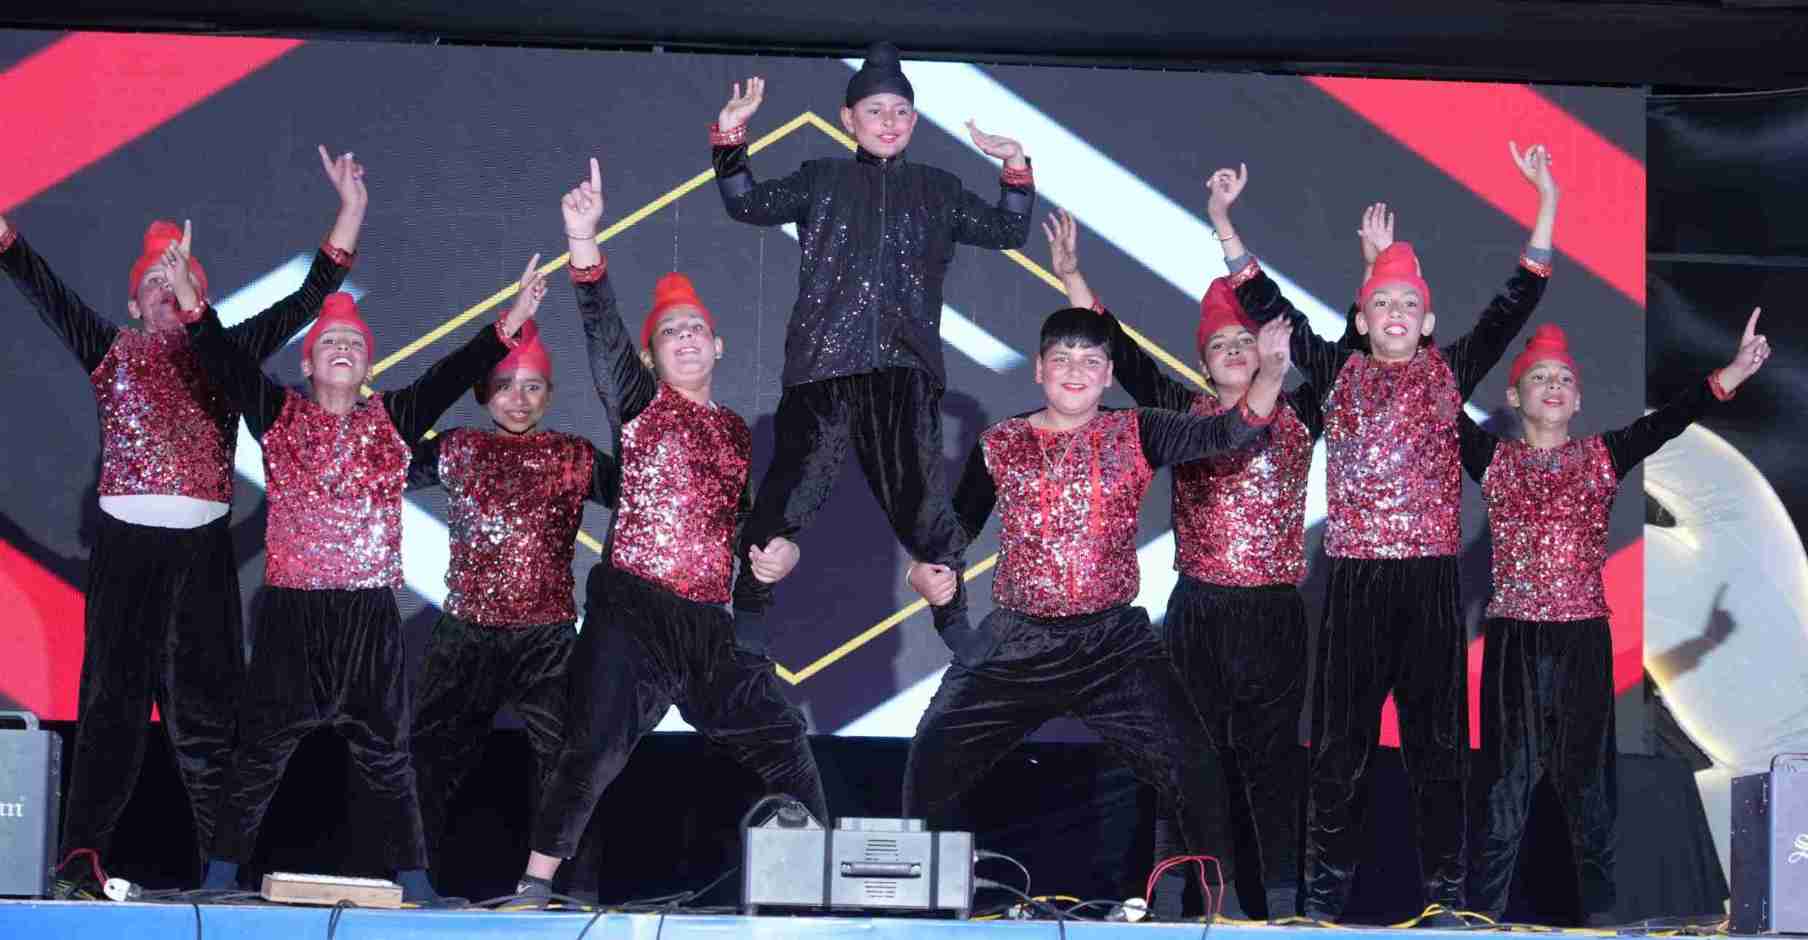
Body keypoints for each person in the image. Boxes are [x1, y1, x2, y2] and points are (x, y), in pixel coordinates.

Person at [1210, 143, 1559, 923]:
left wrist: (1547, 204)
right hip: (1355, 582)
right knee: (1340, 750)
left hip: (1431, 582)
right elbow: (1266, 303)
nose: (1396, 313)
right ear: (1362, 318)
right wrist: (1223, 222)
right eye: (1382, 303)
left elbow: (1516, 302)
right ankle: (1320, 907)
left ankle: (1446, 902)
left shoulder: (1450, 370)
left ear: (1426, 321)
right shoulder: (1338, 371)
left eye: (1408, 304)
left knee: (1439, 751)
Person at [0, 147, 365, 876]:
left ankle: (222, 871)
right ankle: (81, 860)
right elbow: (41, 286)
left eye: (180, 280)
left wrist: (350, 210)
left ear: (201, 293)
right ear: (134, 304)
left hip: (202, 556)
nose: (167, 292)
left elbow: (306, 300)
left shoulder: (224, 351)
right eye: (154, 285)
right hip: (126, 554)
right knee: (111, 709)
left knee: (210, 720)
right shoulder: (110, 350)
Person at [903, 304, 1291, 920]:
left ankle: (1223, 913)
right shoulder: (1001, 443)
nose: (1075, 371)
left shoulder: (1137, 429)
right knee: (930, 758)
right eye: (1062, 359)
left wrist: (1268, 373)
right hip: (1018, 642)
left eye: (1090, 360)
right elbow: (952, 534)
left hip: (1112, 645)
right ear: (1039, 369)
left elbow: (1225, 435)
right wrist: (923, 571)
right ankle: (919, 908)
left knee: (1194, 767)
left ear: (1109, 373)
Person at [190, 242, 544, 902]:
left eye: (354, 342)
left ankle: (415, 883)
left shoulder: (394, 418)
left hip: (368, 614)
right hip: (292, 612)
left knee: (387, 755)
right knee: (260, 750)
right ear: (308, 361)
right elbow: (223, 361)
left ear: (368, 364)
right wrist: (192, 305)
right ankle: (216, 880)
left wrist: (512, 320)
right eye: (330, 342)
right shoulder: (278, 413)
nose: (343, 348)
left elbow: (452, 371)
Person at [519, 159, 827, 896]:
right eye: (670, 334)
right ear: (653, 357)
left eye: (696, 330)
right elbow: (602, 336)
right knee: (594, 749)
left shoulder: (737, 433)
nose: (685, 339)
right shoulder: (641, 405)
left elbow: (744, 528)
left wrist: (778, 554)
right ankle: (531, 888)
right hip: (633, 610)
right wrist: (583, 243)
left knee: (782, 735)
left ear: (718, 347)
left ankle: (825, 877)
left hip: (707, 627)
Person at [709, 41, 1036, 650]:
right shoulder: (821, 179)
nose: (889, 122)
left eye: (901, 111)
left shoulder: (938, 189)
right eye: (875, 110)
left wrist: (1014, 163)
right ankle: (750, 605)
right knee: (788, 493)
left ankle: (953, 621)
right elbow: (745, 203)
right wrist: (730, 138)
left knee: (924, 506)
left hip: (904, 369)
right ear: (848, 119)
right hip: (821, 367)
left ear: (915, 120)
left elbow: (1008, 228)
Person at [1045, 208, 1321, 920]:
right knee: (1186, 756)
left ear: (1265, 351)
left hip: (1274, 613)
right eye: (1219, 343)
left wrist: (1234, 238)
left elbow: (1337, 348)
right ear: (1203, 363)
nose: (1232, 349)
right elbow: (1123, 352)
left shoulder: (1301, 411)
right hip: (1199, 609)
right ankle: (1176, 902)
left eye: (1243, 340)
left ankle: (1280, 906)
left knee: (1272, 764)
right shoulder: (1182, 412)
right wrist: (1073, 277)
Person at [1466, 316, 1770, 924]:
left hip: (1582, 638)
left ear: (1578, 400)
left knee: (1589, 789)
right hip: (1514, 641)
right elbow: (1435, 402)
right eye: (1539, 378)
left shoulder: (1602, 455)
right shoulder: (1493, 459)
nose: (1553, 386)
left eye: (1563, 379)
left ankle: (1599, 920)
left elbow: (1667, 421)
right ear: (1514, 397)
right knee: (1504, 784)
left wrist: (1731, 374)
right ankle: (1482, 918)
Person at [404, 318, 620, 895]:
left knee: (568, 764)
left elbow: (643, 498)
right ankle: (411, 884)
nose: (518, 399)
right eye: (505, 386)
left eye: (532, 387)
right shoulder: (458, 448)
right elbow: (377, 463)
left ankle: (569, 891)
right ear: (483, 392)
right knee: (430, 756)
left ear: (549, 394)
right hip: (464, 632)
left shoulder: (573, 456)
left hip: (547, 638)